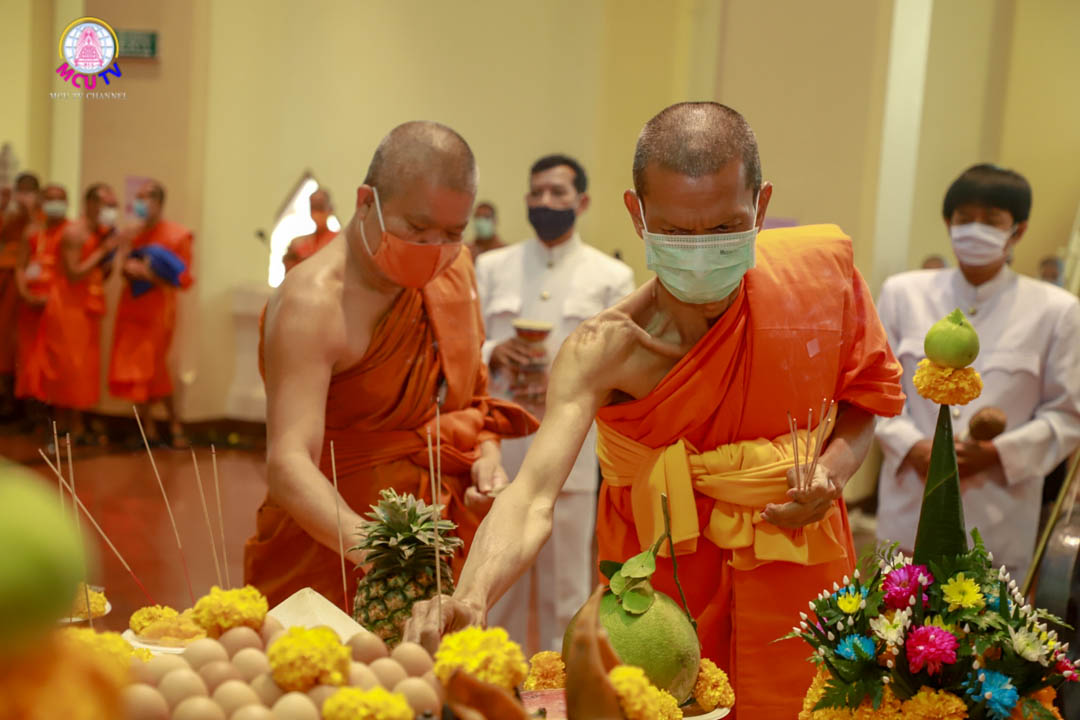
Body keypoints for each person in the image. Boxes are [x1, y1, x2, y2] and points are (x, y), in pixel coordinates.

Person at [407, 102, 905, 719]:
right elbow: (532, 495)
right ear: (636, 214)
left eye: (724, 228)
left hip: (797, 567)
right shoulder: (606, 350)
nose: (700, 252)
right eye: (675, 232)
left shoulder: (818, 279)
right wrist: (472, 594)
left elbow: (864, 399)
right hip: (660, 591)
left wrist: (832, 471)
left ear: (761, 206)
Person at [244, 121, 537, 609]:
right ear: (367, 203)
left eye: (453, 232)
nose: (434, 249)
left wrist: (485, 458)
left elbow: (471, 399)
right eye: (417, 229)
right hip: (333, 546)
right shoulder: (313, 302)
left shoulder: (455, 267)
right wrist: (381, 555)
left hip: (438, 534)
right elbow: (289, 462)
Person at [876, 164, 1080, 581]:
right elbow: (875, 390)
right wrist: (911, 445)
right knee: (895, 612)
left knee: (986, 616)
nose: (975, 229)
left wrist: (997, 454)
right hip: (909, 506)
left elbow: (1067, 414)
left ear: (1018, 231)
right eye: (965, 218)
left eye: (992, 220)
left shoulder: (1056, 310)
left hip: (998, 515)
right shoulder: (902, 293)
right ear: (947, 222)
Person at [478, 154, 635, 653]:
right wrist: (493, 353)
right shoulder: (492, 267)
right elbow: (464, 345)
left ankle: (560, 684)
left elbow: (623, 364)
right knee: (493, 584)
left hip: (572, 450)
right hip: (502, 450)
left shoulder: (610, 277)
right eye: (537, 192)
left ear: (581, 202)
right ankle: (491, 679)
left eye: (558, 193)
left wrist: (563, 378)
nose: (545, 201)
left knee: (565, 589)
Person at [107, 180, 194, 448]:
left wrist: (150, 274)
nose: (141, 203)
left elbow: (184, 280)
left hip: (159, 312)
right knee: (136, 370)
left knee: (155, 368)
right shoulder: (132, 234)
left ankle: (175, 425)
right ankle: (148, 429)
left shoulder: (178, 235)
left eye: (146, 198)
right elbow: (123, 271)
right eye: (138, 198)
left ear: (159, 202)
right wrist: (126, 258)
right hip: (131, 308)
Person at [38, 183, 120, 439]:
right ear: (91, 204)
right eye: (107, 205)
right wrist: (103, 251)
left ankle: (78, 424)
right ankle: (66, 425)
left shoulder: (101, 232)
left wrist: (108, 255)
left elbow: (99, 272)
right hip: (67, 306)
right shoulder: (74, 232)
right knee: (68, 365)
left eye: (113, 205)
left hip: (88, 305)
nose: (110, 210)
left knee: (85, 367)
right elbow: (73, 273)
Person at [15, 183, 69, 423]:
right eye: (49, 199)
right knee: (29, 360)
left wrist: (52, 299)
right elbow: (20, 266)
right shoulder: (32, 231)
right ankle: (32, 417)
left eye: (59, 198)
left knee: (54, 361)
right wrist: (25, 294)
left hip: (57, 307)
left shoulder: (70, 232)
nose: (54, 203)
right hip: (30, 305)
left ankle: (57, 419)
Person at [0, 173, 40, 418]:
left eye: (29, 190)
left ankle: (27, 406)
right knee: (4, 342)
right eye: (20, 190)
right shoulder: (11, 217)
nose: (24, 195)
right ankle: (6, 399)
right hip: (6, 284)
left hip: (29, 290)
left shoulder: (41, 219)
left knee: (25, 346)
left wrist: (32, 211)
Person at [283, 189, 337, 273]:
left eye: (320, 208)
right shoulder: (298, 243)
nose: (316, 213)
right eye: (313, 208)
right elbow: (290, 272)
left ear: (330, 209)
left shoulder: (339, 240)